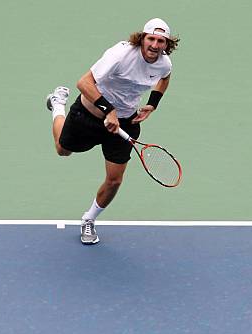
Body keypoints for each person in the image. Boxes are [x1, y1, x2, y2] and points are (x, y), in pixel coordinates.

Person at [46, 18, 179, 244]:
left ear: (167, 44)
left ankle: (89, 219)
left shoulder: (164, 64)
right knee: (62, 150)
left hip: (125, 123)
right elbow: (84, 82)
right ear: (142, 38)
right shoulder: (120, 55)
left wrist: (153, 104)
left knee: (115, 180)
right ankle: (58, 104)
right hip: (88, 116)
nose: (155, 45)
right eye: (151, 39)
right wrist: (109, 110)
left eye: (161, 41)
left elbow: (164, 79)